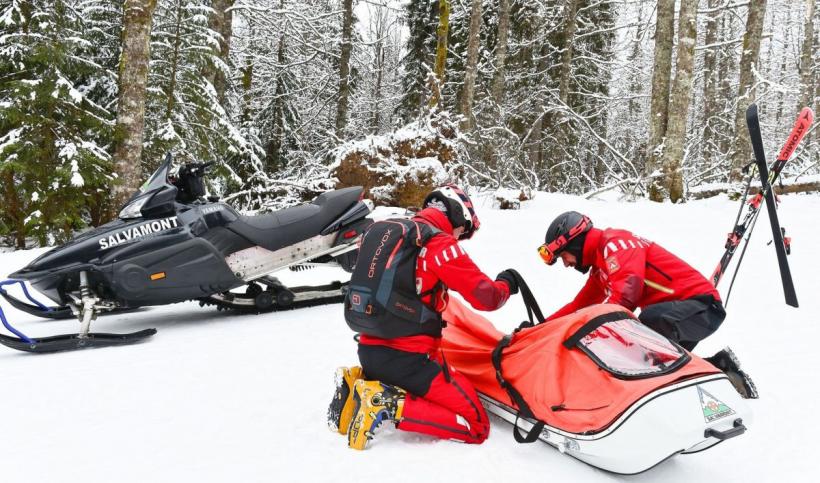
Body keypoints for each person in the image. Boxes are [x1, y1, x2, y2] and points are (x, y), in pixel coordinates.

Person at [327, 184, 519, 450]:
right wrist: (506, 284)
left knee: (426, 368)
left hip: (369, 350)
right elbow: (485, 297)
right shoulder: (437, 242)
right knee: (476, 425)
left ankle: (357, 382)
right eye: (462, 230)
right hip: (410, 361)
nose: (459, 237)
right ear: (456, 213)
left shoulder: (387, 232)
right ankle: (386, 402)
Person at [538, 211, 757, 399]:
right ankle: (721, 370)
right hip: (679, 314)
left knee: (640, 334)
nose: (566, 264)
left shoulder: (616, 243)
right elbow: (579, 306)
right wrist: (540, 329)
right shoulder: (600, 268)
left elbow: (626, 296)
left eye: (563, 256)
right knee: (648, 360)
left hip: (703, 308)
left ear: (575, 243)